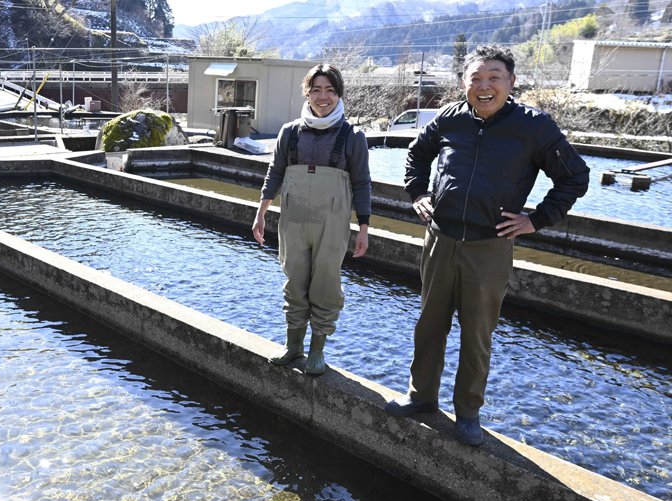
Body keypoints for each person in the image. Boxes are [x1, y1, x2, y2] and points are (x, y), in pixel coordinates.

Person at [383, 45, 590, 445]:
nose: (484, 86)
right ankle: (421, 396)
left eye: (494, 77)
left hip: (490, 245)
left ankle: (468, 413)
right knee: (429, 324)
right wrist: (417, 193)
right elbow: (416, 155)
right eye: (476, 78)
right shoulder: (449, 119)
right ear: (464, 83)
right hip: (440, 239)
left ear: (511, 82)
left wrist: (536, 220)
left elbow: (574, 178)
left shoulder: (534, 126)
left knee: (476, 334)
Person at [252, 63, 371, 376]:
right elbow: (275, 172)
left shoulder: (353, 136)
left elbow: (361, 183)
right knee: (295, 281)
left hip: (332, 223)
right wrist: (261, 211)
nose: (323, 96)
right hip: (294, 219)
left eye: (330, 90)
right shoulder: (290, 132)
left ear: (339, 94)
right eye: (316, 89)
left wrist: (364, 228)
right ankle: (294, 347)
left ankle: (317, 350)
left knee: (325, 284)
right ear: (306, 92)